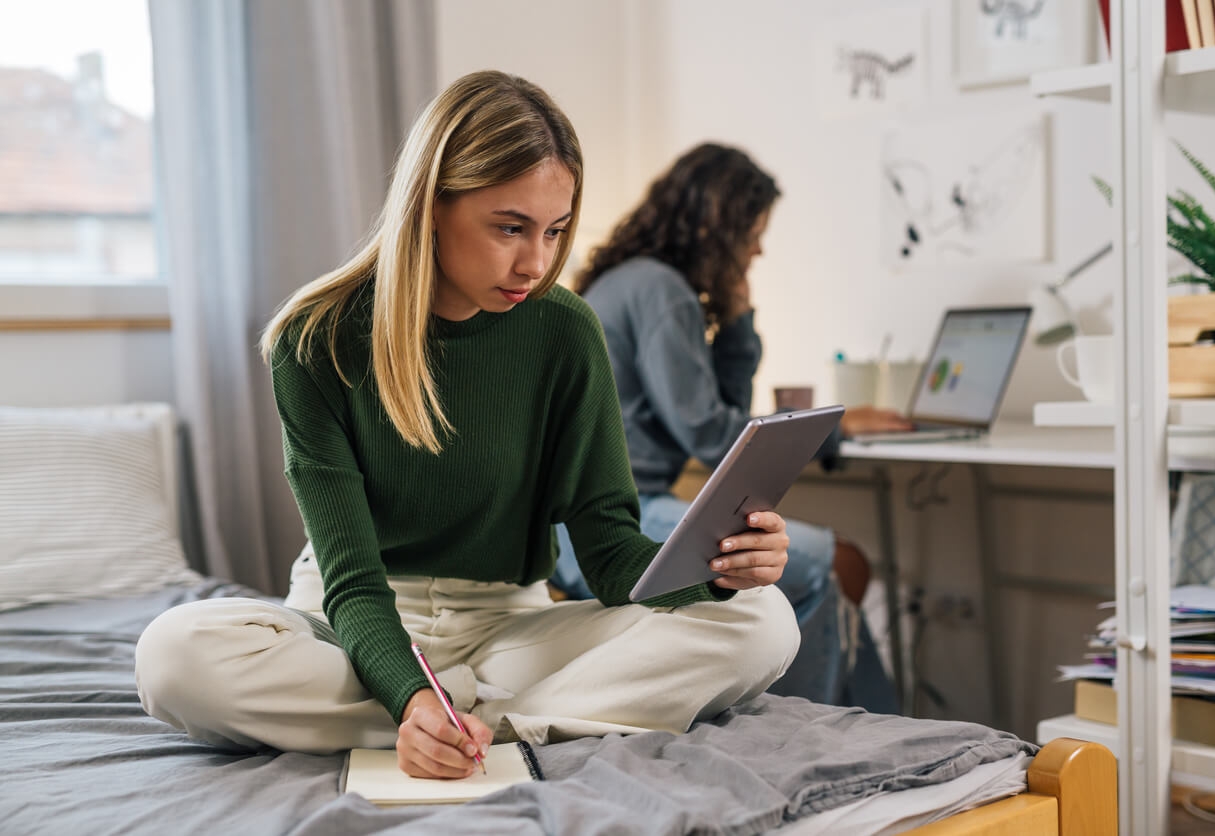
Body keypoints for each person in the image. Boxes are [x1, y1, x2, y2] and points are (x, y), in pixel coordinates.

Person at [133, 72, 801, 780]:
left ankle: (476, 727)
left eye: (555, 231)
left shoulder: (566, 330)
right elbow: (354, 587)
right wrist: (409, 694)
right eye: (509, 228)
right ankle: (467, 715)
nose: (536, 262)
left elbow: (607, 553)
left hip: (506, 629)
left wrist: (718, 575)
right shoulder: (316, 337)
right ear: (430, 205)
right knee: (173, 656)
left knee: (764, 620)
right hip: (349, 626)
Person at [550, 143, 910, 711]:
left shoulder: (643, 282)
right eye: (753, 233)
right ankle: (803, 732)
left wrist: (738, 324)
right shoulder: (661, 291)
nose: (759, 248)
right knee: (821, 564)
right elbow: (713, 436)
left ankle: (879, 722)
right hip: (605, 523)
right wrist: (834, 432)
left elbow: (720, 418)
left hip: (612, 510)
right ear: (718, 225)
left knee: (833, 563)